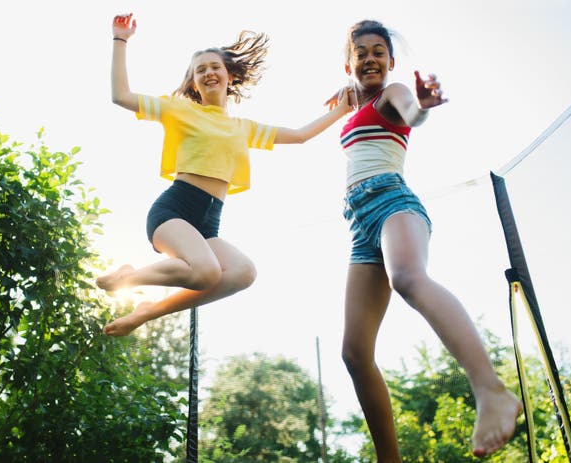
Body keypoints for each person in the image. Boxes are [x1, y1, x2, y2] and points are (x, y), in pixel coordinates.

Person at [326, 19, 522, 460]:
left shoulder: (394, 93)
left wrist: (424, 105)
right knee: (354, 354)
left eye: (379, 51)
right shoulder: (355, 103)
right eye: (362, 53)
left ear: (391, 60)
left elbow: (411, 111)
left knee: (409, 279)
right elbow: (352, 96)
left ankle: (491, 391)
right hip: (359, 225)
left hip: (392, 202)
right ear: (349, 63)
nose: (371, 58)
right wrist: (346, 97)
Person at [97, 13, 352, 337]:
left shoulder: (242, 128)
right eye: (200, 70)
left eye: (214, 67)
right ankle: (128, 277)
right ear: (193, 82)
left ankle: (147, 311)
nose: (208, 73)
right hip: (174, 210)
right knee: (205, 271)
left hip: (208, 224)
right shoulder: (179, 109)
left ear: (229, 75)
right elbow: (121, 96)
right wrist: (120, 40)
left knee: (242, 273)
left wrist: (341, 110)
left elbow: (300, 135)